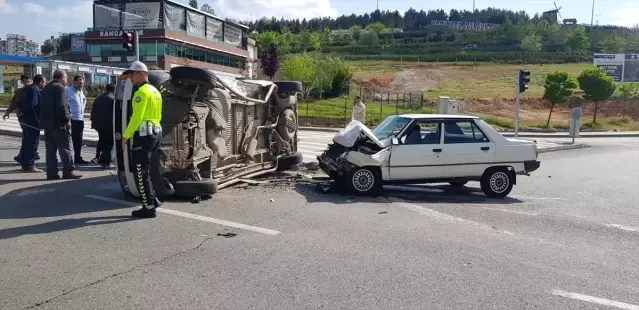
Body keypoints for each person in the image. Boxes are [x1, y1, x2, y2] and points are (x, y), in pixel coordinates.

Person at [122, 61, 163, 218]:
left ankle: (148, 207)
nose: (130, 78)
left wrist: (125, 137)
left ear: (142, 74)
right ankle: (153, 198)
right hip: (155, 133)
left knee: (140, 171)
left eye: (132, 75)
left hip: (144, 135)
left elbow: (136, 118)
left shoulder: (140, 93)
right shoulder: (155, 91)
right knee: (147, 170)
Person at [40, 69, 82, 180]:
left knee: (50, 150)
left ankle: (51, 173)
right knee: (66, 148)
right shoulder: (60, 88)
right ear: (61, 77)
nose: (67, 79)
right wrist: (66, 120)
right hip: (59, 124)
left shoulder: (46, 88)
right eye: (65, 77)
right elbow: (62, 105)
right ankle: (68, 172)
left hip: (48, 125)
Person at [3, 74, 40, 163]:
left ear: (31, 81)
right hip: (24, 118)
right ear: (22, 82)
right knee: (28, 138)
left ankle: (24, 155)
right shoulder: (20, 91)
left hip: (32, 119)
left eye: (28, 81)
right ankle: (27, 156)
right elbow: (14, 103)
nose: (27, 83)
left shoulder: (35, 90)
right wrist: (8, 112)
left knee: (28, 138)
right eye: (25, 82)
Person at [18, 74, 46, 172]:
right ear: (40, 82)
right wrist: (38, 121)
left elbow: (19, 103)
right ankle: (29, 165)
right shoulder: (35, 90)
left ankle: (25, 163)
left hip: (24, 120)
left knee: (26, 142)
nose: (45, 84)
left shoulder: (26, 89)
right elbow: (33, 105)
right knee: (32, 143)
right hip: (32, 122)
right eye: (44, 82)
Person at [91, 84, 115, 168]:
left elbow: (93, 111)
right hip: (109, 125)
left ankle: (99, 158)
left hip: (99, 125)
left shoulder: (98, 98)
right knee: (109, 144)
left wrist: (94, 123)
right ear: (114, 90)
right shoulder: (113, 99)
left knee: (102, 141)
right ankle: (105, 161)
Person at [67, 75, 88, 164]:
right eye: (79, 83)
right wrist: (68, 118)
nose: (81, 85)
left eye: (82, 83)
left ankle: (77, 157)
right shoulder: (67, 91)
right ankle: (69, 158)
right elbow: (64, 105)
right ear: (74, 82)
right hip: (72, 119)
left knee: (78, 140)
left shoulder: (80, 91)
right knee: (70, 140)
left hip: (80, 119)